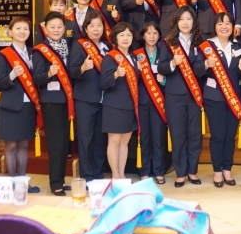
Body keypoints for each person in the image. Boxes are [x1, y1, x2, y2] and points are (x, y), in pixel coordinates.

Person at [158, 6, 207, 187]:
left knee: (194, 135)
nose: (185, 23)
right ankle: (180, 173)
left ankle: (192, 171)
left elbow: (201, 69)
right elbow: (161, 67)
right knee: (177, 134)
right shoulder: (168, 43)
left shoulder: (200, 42)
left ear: (194, 21)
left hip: (194, 95)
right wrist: (172, 62)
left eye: (189, 19)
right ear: (176, 22)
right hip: (174, 96)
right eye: (182, 19)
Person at [199, 12, 241, 188]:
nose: (224, 26)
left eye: (227, 23)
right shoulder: (206, 47)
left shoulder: (239, 47)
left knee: (230, 136)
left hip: (234, 97)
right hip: (214, 98)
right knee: (218, 136)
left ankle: (227, 169)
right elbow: (197, 70)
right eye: (220, 23)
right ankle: (217, 171)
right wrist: (206, 64)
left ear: (233, 27)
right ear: (215, 27)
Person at [0, 17, 40, 193]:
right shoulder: (4, 55)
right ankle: (11, 184)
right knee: (11, 145)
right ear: (10, 32)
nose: (22, 32)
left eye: (26, 29)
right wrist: (13, 75)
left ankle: (22, 183)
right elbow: (0, 83)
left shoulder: (33, 53)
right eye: (18, 28)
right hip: (11, 107)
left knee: (23, 144)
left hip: (29, 106)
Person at [32, 11, 73, 196]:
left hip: (67, 100)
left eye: (59, 26)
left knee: (64, 143)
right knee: (56, 144)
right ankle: (55, 183)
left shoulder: (68, 47)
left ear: (64, 28)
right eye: (52, 27)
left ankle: (61, 180)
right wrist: (49, 73)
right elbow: (37, 78)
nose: (56, 30)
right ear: (45, 29)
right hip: (51, 102)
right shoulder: (40, 50)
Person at [67, 9, 110, 181]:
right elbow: (72, 71)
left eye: (99, 25)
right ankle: (87, 174)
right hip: (85, 99)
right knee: (85, 138)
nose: (96, 29)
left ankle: (98, 172)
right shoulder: (80, 45)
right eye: (92, 26)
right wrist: (83, 68)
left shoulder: (107, 46)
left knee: (100, 138)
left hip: (105, 99)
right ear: (86, 28)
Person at [100, 22, 140, 180]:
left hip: (130, 105)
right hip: (114, 106)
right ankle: (115, 175)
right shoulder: (110, 58)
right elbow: (103, 83)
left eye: (129, 35)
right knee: (115, 141)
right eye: (122, 35)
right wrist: (116, 75)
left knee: (125, 141)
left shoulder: (134, 57)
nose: (125, 38)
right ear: (115, 38)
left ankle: (122, 175)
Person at [135, 22, 167, 185]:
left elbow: (171, 74)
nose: (152, 36)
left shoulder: (164, 53)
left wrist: (164, 80)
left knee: (158, 137)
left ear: (159, 35)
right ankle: (145, 171)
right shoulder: (136, 55)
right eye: (148, 33)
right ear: (143, 35)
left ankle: (159, 171)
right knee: (145, 137)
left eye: (155, 33)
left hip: (159, 102)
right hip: (142, 101)